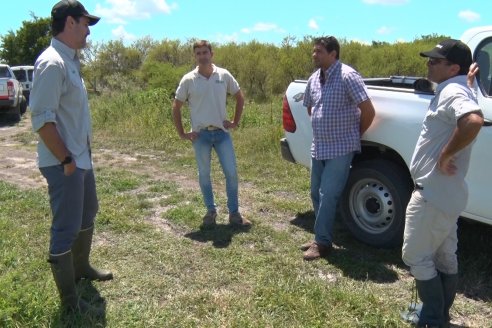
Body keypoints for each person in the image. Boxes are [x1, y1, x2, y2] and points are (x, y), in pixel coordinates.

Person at [30, 0, 112, 314]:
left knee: (88, 211)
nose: (89, 30)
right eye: (85, 22)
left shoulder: (70, 61)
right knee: (65, 228)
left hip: (79, 158)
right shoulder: (52, 63)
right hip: (64, 162)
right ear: (69, 23)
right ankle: (70, 304)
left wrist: (78, 157)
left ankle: (81, 269)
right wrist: (66, 160)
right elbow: (42, 120)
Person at [401, 39, 483, 327]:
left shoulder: (451, 90)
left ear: (453, 68)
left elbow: (472, 120)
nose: (429, 63)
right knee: (445, 256)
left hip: (432, 194)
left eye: (435, 61)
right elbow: (466, 104)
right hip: (448, 194)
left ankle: (432, 319)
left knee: (415, 255)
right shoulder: (457, 87)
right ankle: (440, 316)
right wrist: (468, 83)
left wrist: (446, 153)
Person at [301, 36, 375, 261]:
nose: (315, 55)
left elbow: (368, 111)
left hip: (341, 147)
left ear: (333, 54)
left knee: (328, 194)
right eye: (314, 51)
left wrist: (353, 135)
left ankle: (322, 243)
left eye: (320, 51)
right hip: (319, 146)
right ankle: (321, 234)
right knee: (315, 192)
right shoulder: (314, 79)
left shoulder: (347, 76)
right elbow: (310, 108)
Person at [172, 40, 251, 228]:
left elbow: (239, 97)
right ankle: (210, 211)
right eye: (198, 53)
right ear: (195, 56)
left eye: (205, 52)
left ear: (211, 54)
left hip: (222, 133)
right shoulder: (189, 79)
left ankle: (234, 214)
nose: (202, 56)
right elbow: (176, 106)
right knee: (204, 175)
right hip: (201, 136)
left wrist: (235, 121)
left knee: (231, 173)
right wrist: (182, 133)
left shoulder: (223, 75)